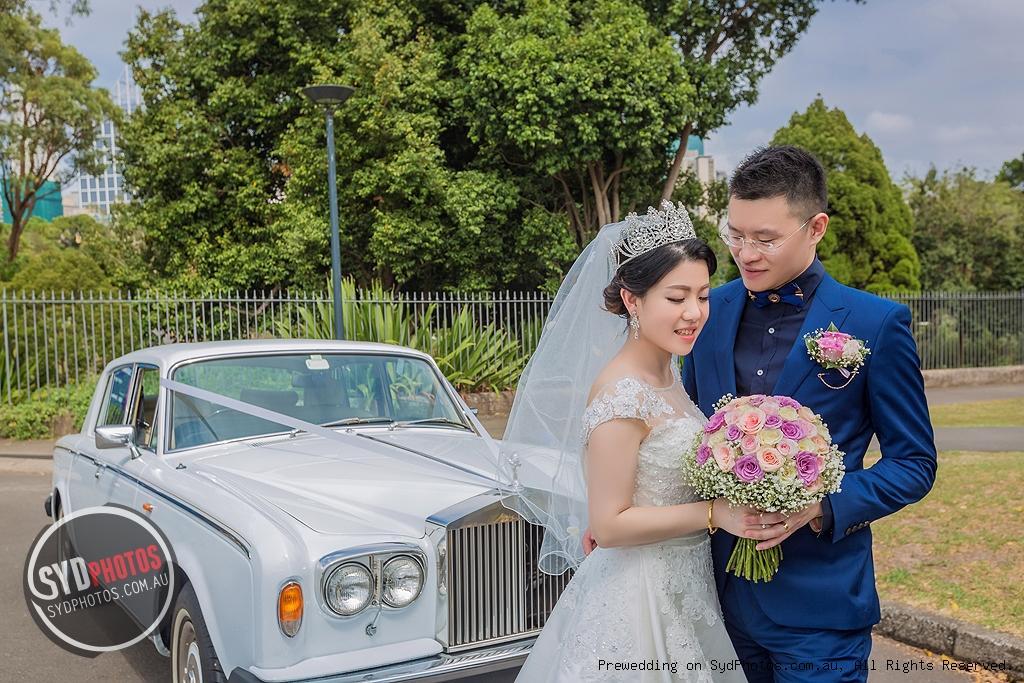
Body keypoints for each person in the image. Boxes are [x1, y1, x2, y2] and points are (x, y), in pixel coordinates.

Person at [677, 145, 937, 682]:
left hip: (821, 608)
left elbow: (913, 463)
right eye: (735, 234)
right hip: (714, 600)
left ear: (816, 228)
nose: (745, 253)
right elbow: (683, 432)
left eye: (765, 239)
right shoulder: (707, 311)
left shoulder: (875, 323)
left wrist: (820, 506)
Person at [505, 202, 757, 682]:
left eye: (703, 296)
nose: (694, 313)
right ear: (632, 300)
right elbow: (609, 524)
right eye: (676, 297)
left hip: (687, 583)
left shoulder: (670, 373)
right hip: (638, 593)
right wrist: (715, 513)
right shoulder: (622, 393)